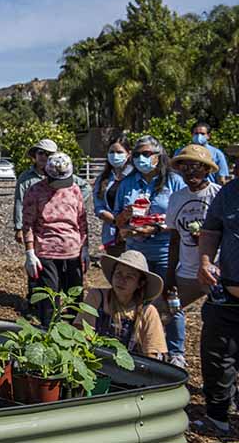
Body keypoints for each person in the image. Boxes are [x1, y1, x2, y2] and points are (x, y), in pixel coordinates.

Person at [114, 135, 186, 367]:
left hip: (166, 250)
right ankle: (142, 345)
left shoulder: (174, 181)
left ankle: (176, 351)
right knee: (138, 299)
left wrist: (155, 227)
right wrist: (125, 221)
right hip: (137, 252)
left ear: (159, 156)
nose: (141, 159)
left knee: (171, 299)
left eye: (146, 154)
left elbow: (182, 216)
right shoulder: (127, 183)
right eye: (136, 155)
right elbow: (118, 220)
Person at [13, 138, 91, 316]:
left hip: (73, 251)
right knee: (49, 297)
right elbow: (28, 223)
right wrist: (30, 253)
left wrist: (85, 247)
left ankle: (72, 333)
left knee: (74, 298)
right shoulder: (34, 190)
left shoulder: (75, 189)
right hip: (46, 251)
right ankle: (47, 327)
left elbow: (82, 220)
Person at [194, 168, 239, 437]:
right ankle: (218, 417)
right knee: (217, 359)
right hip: (226, 296)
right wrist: (205, 261)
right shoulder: (230, 192)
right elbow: (211, 230)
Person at [163, 145, 221, 356]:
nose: (190, 172)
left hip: (215, 273)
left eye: (195, 166)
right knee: (162, 310)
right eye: (184, 167)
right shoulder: (177, 198)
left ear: (206, 169)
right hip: (186, 271)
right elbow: (175, 238)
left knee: (220, 325)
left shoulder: (218, 195)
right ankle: (169, 355)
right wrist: (170, 276)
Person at [75, 250, 167, 359]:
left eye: (129, 277)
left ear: (140, 283)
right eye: (118, 273)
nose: (121, 280)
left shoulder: (147, 311)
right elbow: (81, 333)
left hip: (130, 369)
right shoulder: (97, 297)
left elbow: (151, 354)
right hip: (95, 361)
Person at [93, 134, 133, 257]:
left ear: (128, 153)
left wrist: (125, 224)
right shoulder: (103, 178)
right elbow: (99, 206)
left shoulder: (135, 176)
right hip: (112, 236)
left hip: (133, 235)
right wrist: (116, 222)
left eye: (119, 152)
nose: (115, 156)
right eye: (112, 152)